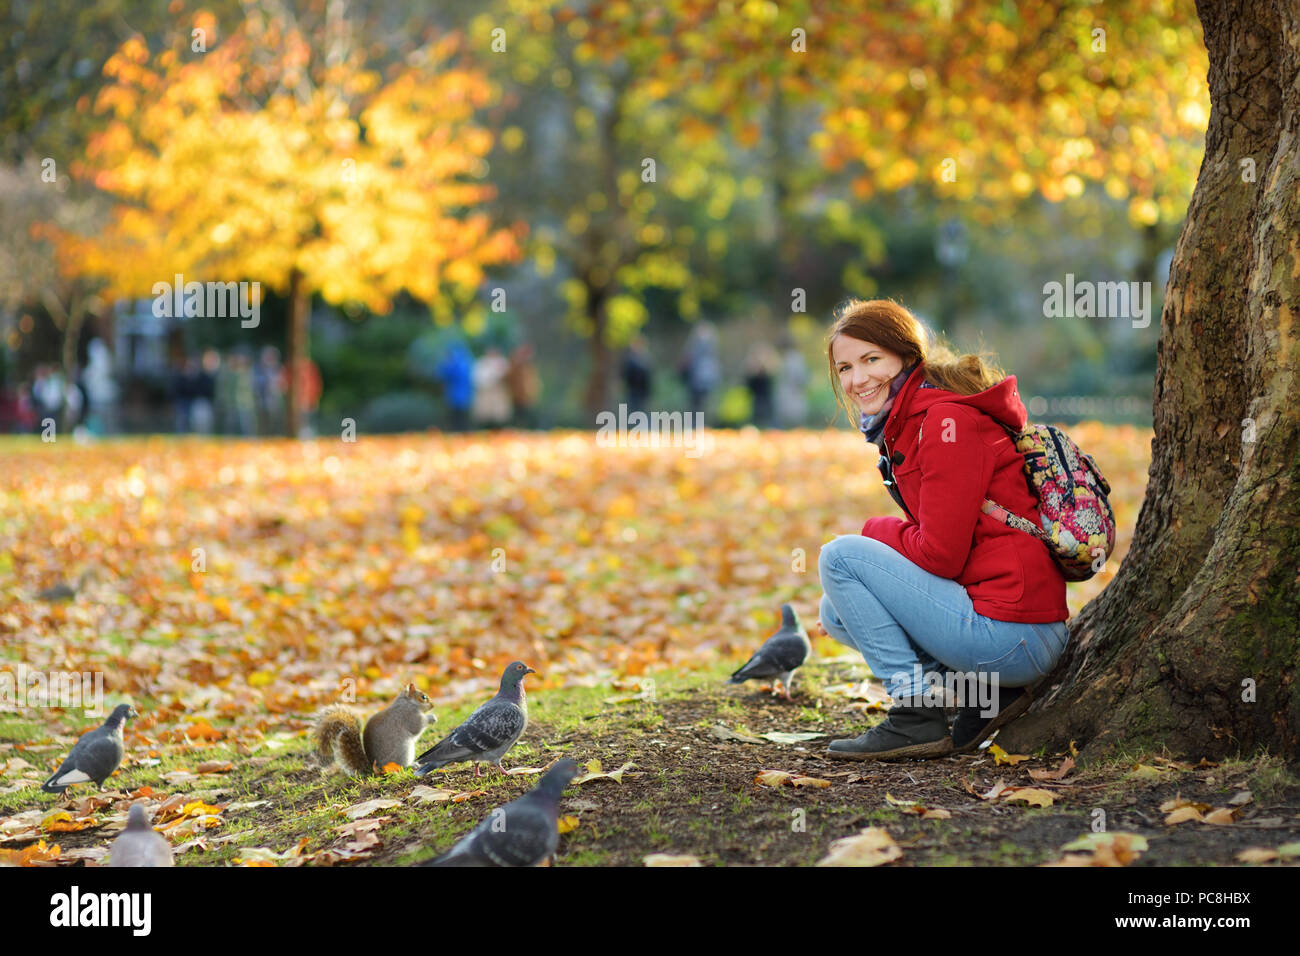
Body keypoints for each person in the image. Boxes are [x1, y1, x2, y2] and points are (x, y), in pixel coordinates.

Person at [815, 298, 1070, 761]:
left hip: (1016, 635)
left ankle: (915, 716)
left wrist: (875, 530)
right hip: (1001, 626)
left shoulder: (946, 422)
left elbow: (940, 556)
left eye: (872, 360)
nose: (858, 379)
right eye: (846, 367)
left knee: (840, 558)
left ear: (906, 356)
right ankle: (982, 696)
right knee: (836, 612)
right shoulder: (910, 421)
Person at [774, 334, 809, 428]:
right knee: (791, 418)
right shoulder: (792, 357)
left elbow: (799, 377)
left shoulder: (792, 358)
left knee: (792, 417)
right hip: (791, 392)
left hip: (792, 392)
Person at [743, 342, 779, 427]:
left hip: (766, 401)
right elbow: (748, 386)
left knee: (767, 422)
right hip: (755, 401)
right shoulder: (751, 372)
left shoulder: (768, 371)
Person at [506, 343, 541, 428]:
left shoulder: (529, 366)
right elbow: (510, 379)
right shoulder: (515, 364)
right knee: (517, 419)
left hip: (527, 398)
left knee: (527, 419)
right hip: (516, 398)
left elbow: (532, 381)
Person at [621, 336, 654, 414]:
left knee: (642, 411)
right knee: (633, 412)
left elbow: (649, 376)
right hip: (632, 391)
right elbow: (625, 374)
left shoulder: (646, 359)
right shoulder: (629, 359)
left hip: (643, 391)